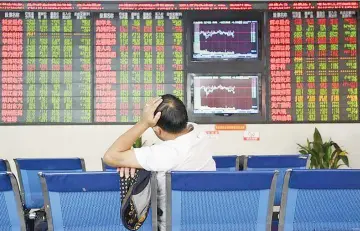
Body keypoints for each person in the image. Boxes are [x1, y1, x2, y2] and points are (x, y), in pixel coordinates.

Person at [103, 94, 216, 231]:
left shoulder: (165, 154)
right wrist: (132, 161)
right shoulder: (201, 135)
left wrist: (144, 123)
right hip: (206, 223)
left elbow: (110, 156)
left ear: (158, 130)